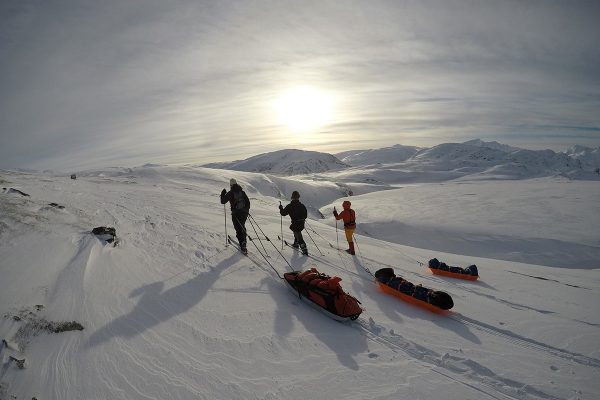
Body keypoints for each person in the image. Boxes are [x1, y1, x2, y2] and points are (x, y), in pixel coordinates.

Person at [220, 178, 250, 254]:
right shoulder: (242, 192)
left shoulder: (231, 193)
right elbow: (248, 202)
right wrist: (246, 210)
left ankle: (242, 244)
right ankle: (244, 241)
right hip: (244, 213)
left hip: (236, 213)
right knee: (242, 226)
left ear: (231, 185)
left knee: (238, 228)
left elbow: (223, 201)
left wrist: (223, 194)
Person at [279, 190, 308, 255]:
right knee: (297, 233)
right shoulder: (302, 206)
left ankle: (304, 250)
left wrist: (281, 208)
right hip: (301, 223)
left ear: (292, 197)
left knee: (299, 236)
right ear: (298, 197)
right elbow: (305, 216)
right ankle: (296, 243)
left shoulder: (290, 206)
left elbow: (283, 213)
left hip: (295, 223)